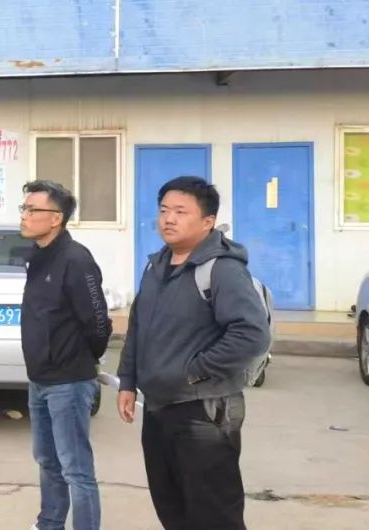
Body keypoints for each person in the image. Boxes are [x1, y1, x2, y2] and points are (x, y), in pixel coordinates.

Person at [117, 177, 271, 530]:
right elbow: (139, 327)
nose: (169, 219)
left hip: (204, 410)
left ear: (207, 222)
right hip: (159, 407)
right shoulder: (156, 267)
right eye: (163, 211)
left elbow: (251, 334)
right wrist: (128, 380)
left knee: (214, 514)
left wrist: (194, 370)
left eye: (181, 212)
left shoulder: (223, 269)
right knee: (171, 505)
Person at [19, 180, 112, 530]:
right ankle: (50, 523)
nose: (24, 216)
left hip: (69, 382)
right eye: (24, 208)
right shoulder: (37, 256)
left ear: (56, 218)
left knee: (76, 469)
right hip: (39, 379)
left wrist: (80, 360)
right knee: (47, 461)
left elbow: (98, 322)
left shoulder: (76, 259)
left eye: (32, 210)